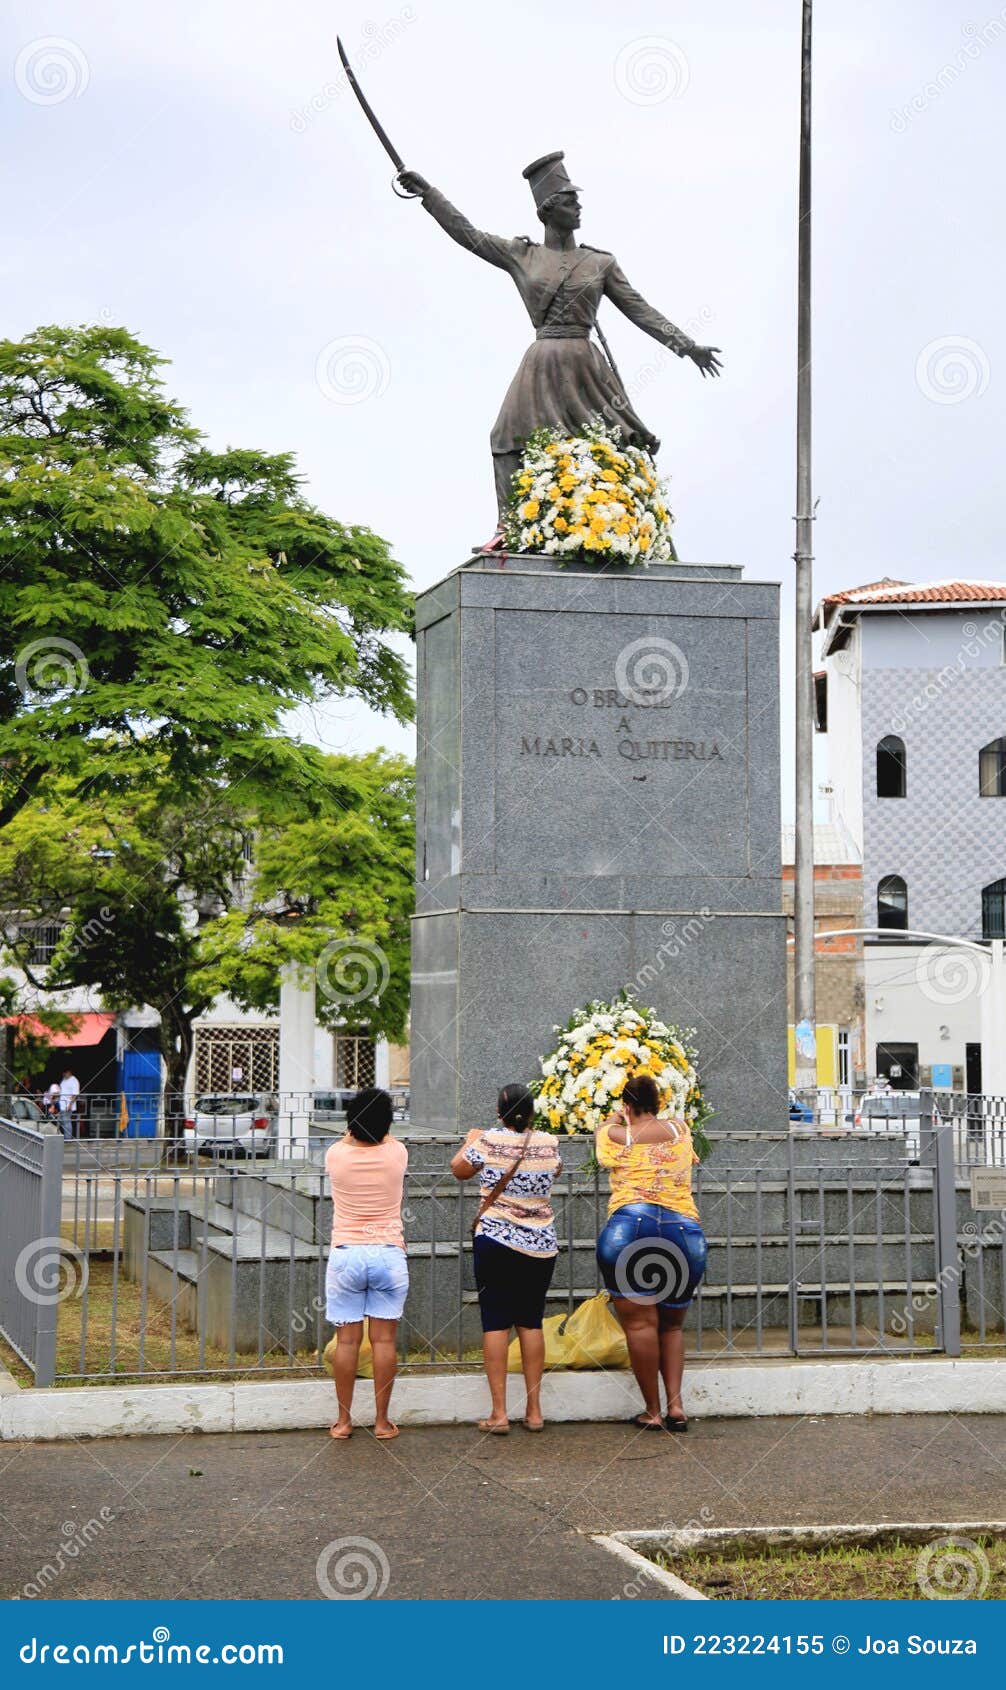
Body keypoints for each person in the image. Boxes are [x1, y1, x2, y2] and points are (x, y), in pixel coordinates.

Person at [396, 152, 722, 530]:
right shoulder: (522, 255)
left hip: (585, 363)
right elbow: (468, 234)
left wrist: (686, 346)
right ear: (548, 210)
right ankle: (512, 527)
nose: (579, 207)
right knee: (505, 437)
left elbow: (640, 309)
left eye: (578, 200)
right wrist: (429, 196)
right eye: (570, 201)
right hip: (541, 361)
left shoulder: (601, 263)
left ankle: (626, 524)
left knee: (614, 438)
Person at [595, 1075, 707, 1433]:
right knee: (672, 1326)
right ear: (659, 1103)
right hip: (683, 1232)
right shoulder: (680, 1129)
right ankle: (677, 1407)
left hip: (630, 1229)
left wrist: (614, 1120)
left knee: (640, 1323)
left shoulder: (614, 1136)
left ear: (627, 1105)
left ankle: (653, 1411)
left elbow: (603, 1146)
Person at [451, 1084, 563, 1433]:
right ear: (531, 1112)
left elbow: (459, 1169)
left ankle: (499, 1413)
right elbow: (555, 1171)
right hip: (540, 1244)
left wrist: (471, 1140)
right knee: (531, 1321)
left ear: (500, 1112)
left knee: (496, 1322)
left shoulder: (487, 1141)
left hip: (496, 1239)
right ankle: (534, 1411)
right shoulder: (548, 1142)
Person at [324, 1087, 409, 1442]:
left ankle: (343, 1422)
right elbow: (384, 1136)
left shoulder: (335, 1156)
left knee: (347, 1342)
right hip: (388, 1253)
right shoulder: (397, 1154)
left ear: (350, 1122)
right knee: (384, 1341)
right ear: (387, 1124)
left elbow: (351, 1137)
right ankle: (381, 1422)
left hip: (347, 1253)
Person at [57, 1068, 80, 1140]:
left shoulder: (74, 1080)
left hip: (67, 1105)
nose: (63, 1075)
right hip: (62, 1104)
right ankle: (61, 1136)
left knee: (66, 1121)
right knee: (61, 1121)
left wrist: (70, 1105)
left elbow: (75, 1094)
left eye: (65, 1073)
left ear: (69, 1072)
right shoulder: (64, 1080)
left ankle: (68, 1138)